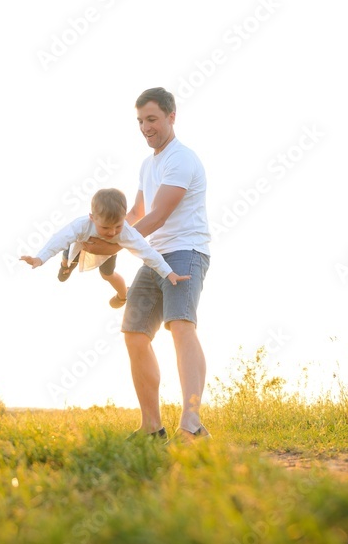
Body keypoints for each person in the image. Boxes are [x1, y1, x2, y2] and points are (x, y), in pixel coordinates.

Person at [81, 87, 211, 442]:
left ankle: (192, 422)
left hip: (186, 252)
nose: (145, 127)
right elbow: (136, 214)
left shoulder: (181, 159)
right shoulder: (147, 165)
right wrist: (96, 233)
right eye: (140, 121)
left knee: (181, 326)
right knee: (134, 333)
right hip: (154, 255)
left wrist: (110, 244)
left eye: (152, 119)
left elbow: (157, 216)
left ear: (171, 117)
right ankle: (153, 428)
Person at [20, 188, 190, 308]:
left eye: (117, 226)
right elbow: (58, 239)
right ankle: (66, 265)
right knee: (68, 251)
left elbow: (147, 252)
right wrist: (39, 258)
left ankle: (123, 295)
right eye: (106, 228)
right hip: (82, 244)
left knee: (107, 275)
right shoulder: (81, 226)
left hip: (107, 252)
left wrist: (168, 272)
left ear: (123, 218)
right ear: (92, 218)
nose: (112, 232)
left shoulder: (126, 232)